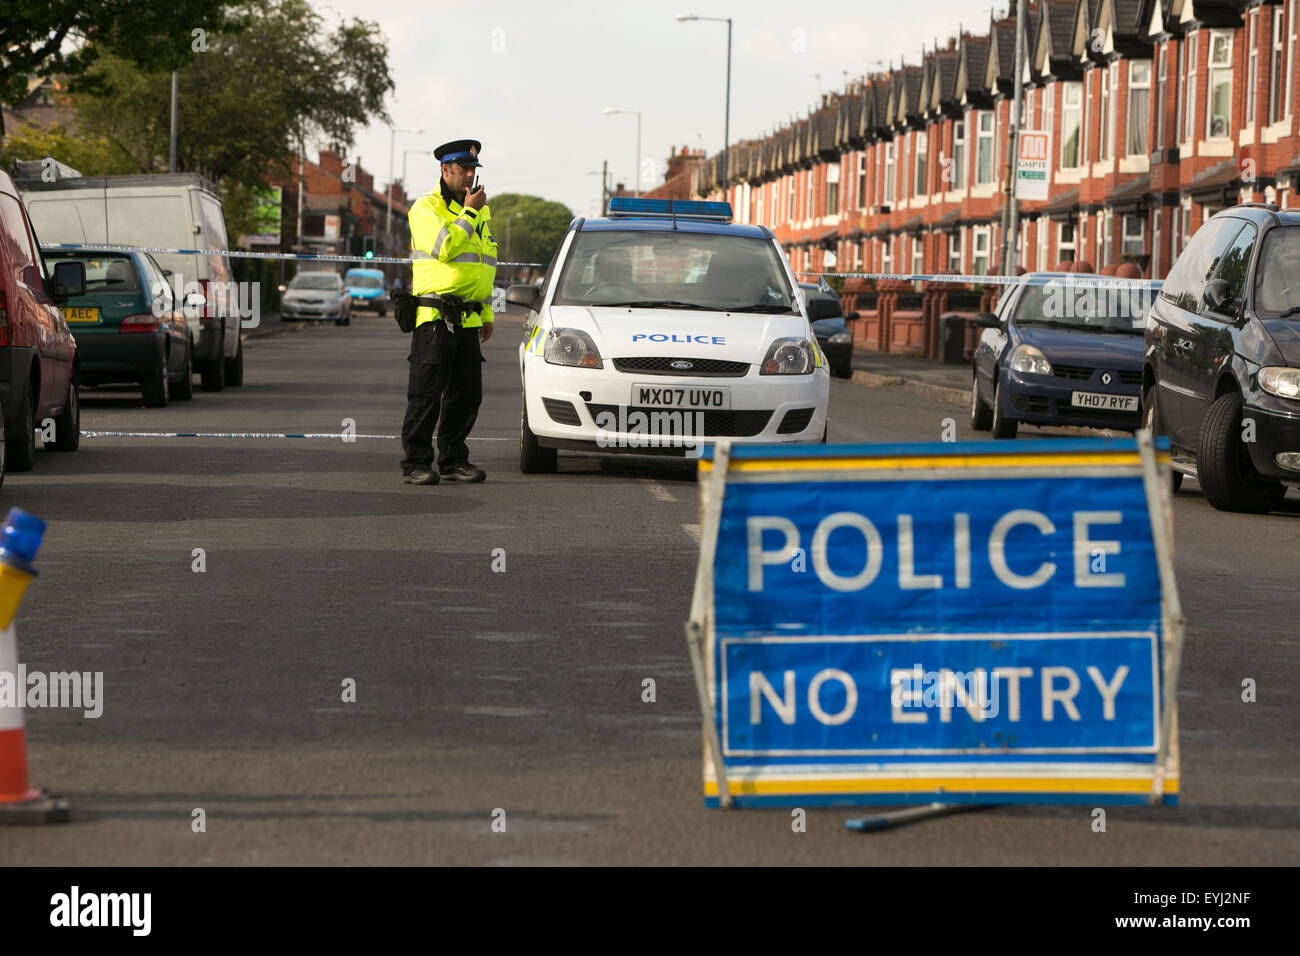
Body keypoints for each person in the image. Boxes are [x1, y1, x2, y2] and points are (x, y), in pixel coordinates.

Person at [399, 139, 497, 485]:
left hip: (469, 317)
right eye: (463, 169)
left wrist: (487, 311)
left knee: (467, 395)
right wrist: (469, 212)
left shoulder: (481, 210)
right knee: (426, 395)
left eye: (473, 169)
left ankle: (454, 459)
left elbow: (484, 263)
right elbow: (444, 248)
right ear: (445, 170)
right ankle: (416, 463)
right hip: (435, 317)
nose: (470, 175)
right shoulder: (425, 208)